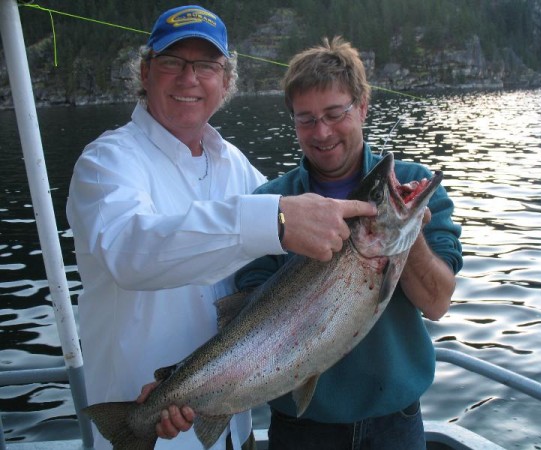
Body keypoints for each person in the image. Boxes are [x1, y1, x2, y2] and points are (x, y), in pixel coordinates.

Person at [66, 5, 375, 449]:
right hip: (144, 422)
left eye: (206, 66)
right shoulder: (107, 162)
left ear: (226, 81)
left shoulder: (238, 167)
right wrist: (277, 220)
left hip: (233, 422)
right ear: (146, 72)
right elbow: (130, 252)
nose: (189, 78)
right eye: (172, 62)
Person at [232, 37, 463, 449]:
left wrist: (404, 234)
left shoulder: (412, 185)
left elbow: (437, 303)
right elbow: (248, 310)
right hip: (301, 427)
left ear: (362, 107)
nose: (321, 132)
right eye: (306, 119)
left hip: (396, 424)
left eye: (334, 114)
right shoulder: (268, 205)